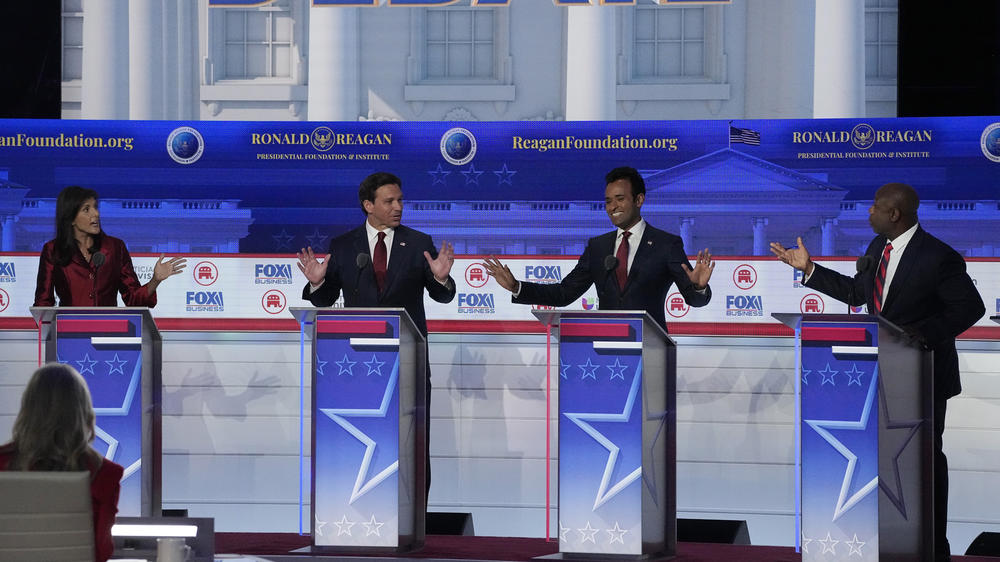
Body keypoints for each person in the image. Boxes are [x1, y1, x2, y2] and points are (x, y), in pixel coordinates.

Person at [769, 182, 985, 562]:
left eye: (874, 207)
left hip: (923, 376)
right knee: (879, 460)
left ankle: (932, 547)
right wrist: (810, 270)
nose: (868, 212)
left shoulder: (939, 257)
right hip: (876, 375)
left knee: (923, 460)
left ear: (894, 214)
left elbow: (971, 307)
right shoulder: (876, 250)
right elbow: (858, 295)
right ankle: (881, 540)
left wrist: (921, 336)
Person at [296, 171, 456, 502]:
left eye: (400, 200)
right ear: (368, 205)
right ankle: (359, 507)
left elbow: (442, 297)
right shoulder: (343, 245)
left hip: (408, 360)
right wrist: (316, 283)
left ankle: (413, 519)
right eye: (389, 201)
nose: (398, 207)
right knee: (361, 437)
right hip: (358, 362)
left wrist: (441, 279)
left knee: (413, 440)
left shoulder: (418, 243)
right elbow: (325, 300)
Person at [482, 166, 715, 330]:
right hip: (604, 350)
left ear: (639, 200)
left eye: (620, 199)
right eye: (608, 201)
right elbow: (564, 294)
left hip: (650, 350)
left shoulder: (666, 244)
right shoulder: (598, 247)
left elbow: (694, 300)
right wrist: (516, 287)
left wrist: (698, 287)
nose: (613, 207)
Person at [0, 363, 124, 562]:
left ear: (28, 409)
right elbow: (102, 552)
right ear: (82, 412)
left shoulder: (1, 463)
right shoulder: (106, 474)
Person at [34, 185, 186, 307]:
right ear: (71, 218)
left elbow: (134, 299)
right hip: (68, 334)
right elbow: (43, 303)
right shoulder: (53, 250)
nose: (96, 214)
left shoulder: (115, 248)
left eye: (95, 207)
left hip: (108, 333)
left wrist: (155, 280)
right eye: (87, 209)